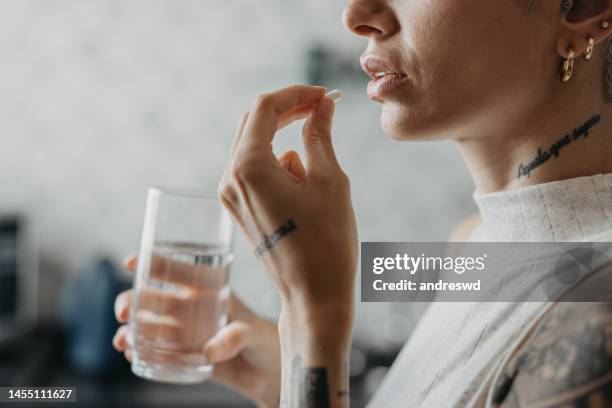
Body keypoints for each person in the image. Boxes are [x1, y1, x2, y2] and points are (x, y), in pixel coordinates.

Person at [113, 0, 612, 406]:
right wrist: (283, 362)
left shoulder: (598, 318)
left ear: (584, 10)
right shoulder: (472, 244)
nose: (357, 15)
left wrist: (312, 315)